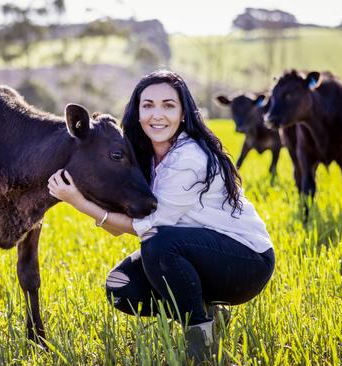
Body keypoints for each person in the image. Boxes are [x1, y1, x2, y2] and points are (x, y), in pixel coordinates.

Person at [47, 70, 275, 363]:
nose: (157, 114)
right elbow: (122, 223)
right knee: (120, 286)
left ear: (183, 114)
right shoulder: (145, 158)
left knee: (158, 243)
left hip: (246, 262)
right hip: (199, 253)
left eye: (169, 105)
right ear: (137, 113)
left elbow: (147, 229)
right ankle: (208, 313)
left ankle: (202, 350)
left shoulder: (189, 158)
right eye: (148, 105)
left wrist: (77, 202)